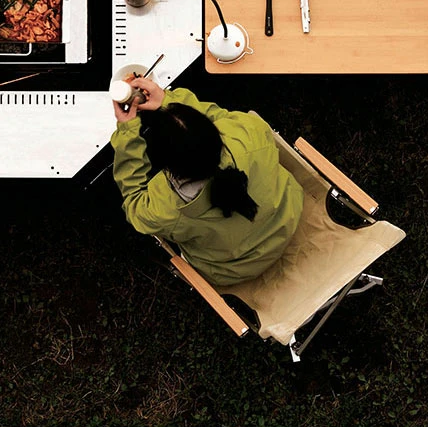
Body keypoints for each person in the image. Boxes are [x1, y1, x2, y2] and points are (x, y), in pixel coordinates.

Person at [109, 78, 302, 288]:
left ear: (163, 161)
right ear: (213, 130)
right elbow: (219, 116)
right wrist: (168, 99)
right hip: (288, 218)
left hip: (234, 270)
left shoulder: (166, 209)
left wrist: (128, 133)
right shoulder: (247, 132)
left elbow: (134, 203)